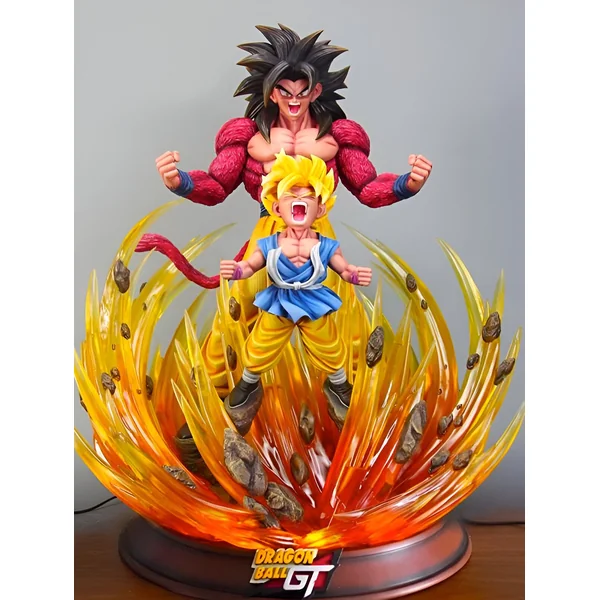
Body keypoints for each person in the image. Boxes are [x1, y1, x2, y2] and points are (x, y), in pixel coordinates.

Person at [137, 24, 432, 400]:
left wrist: (407, 183)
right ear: (271, 91)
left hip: (319, 234)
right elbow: (216, 185)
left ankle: (354, 401)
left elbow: (368, 188)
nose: (294, 99)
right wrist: (179, 181)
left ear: (316, 91)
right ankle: (213, 402)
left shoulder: (337, 135)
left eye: (302, 91)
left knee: (342, 314)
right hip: (269, 228)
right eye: (285, 90)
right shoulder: (248, 135)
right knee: (238, 309)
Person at [220, 151, 372, 435]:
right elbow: (252, 265)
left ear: (321, 209)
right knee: (262, 342)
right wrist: (238, 270)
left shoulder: (325, 244)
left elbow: (342, 268)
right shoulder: (270, 243)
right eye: (291, 195)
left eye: (308, 196)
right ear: (277, 208)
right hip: (280, 301)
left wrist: (354, 274)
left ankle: (339, 385)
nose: (299, 199)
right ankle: (248, 382)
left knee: (328, 343)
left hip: (313, 302)